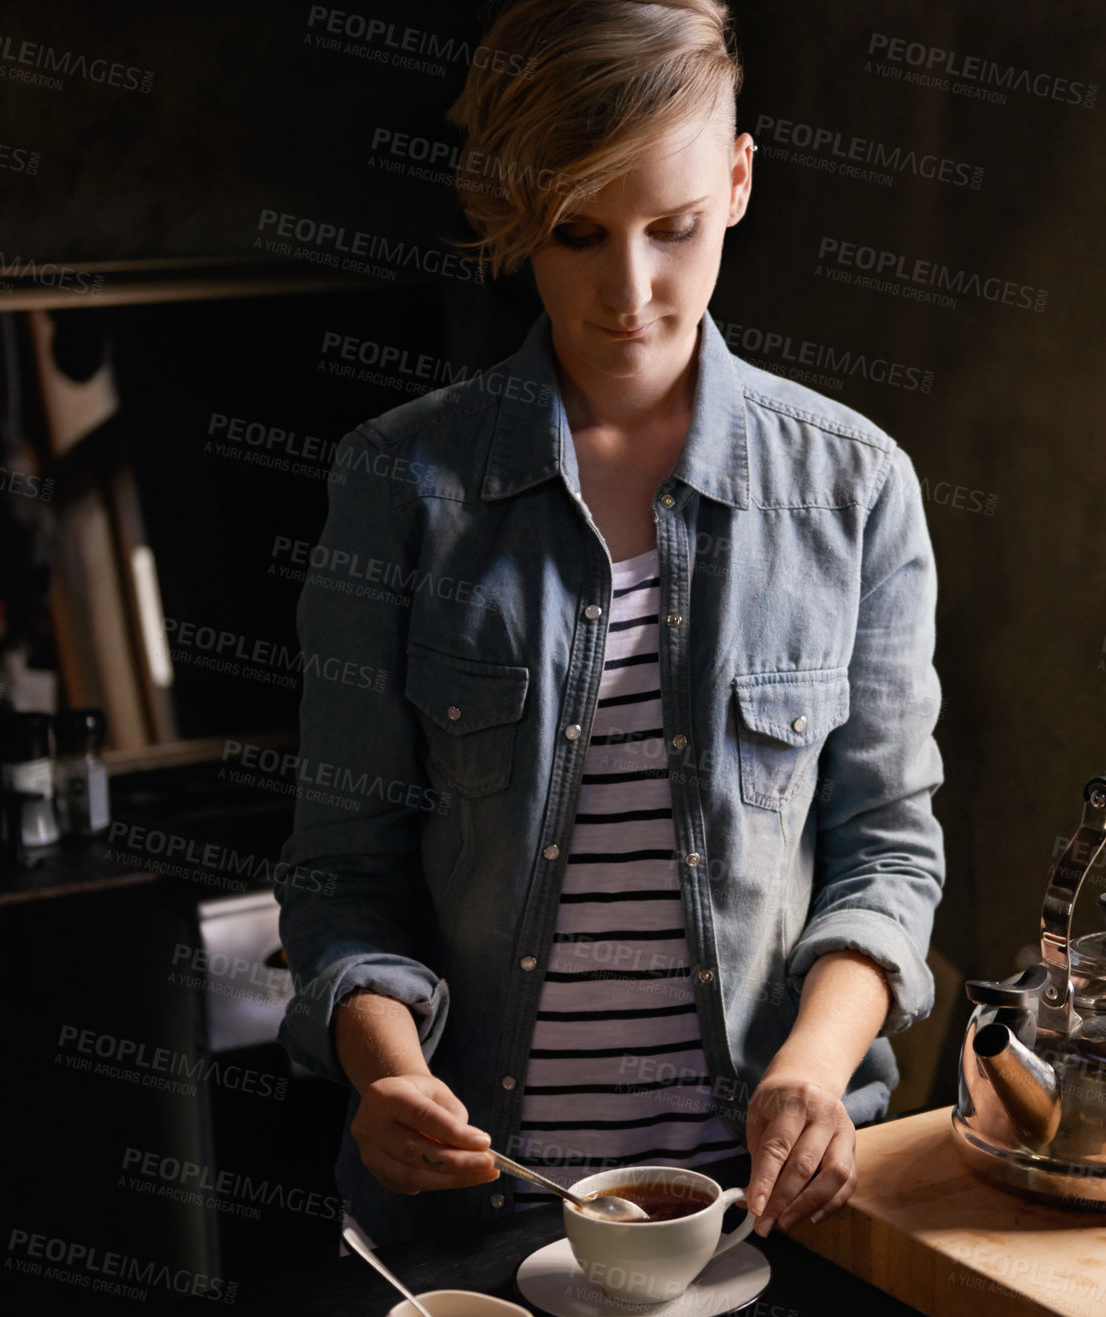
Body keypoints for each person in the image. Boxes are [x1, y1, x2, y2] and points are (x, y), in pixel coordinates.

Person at [274, 0, 945, 1246]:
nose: (630, 291)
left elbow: (887, 851)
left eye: (674, 228)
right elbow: (340, 871)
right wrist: (385, 1075)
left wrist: (811, 1058)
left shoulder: (856, 486)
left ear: (738, 182)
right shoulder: (399, 485)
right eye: (576, 233)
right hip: (482, 1219)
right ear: (518, 218)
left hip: (775, 1213)